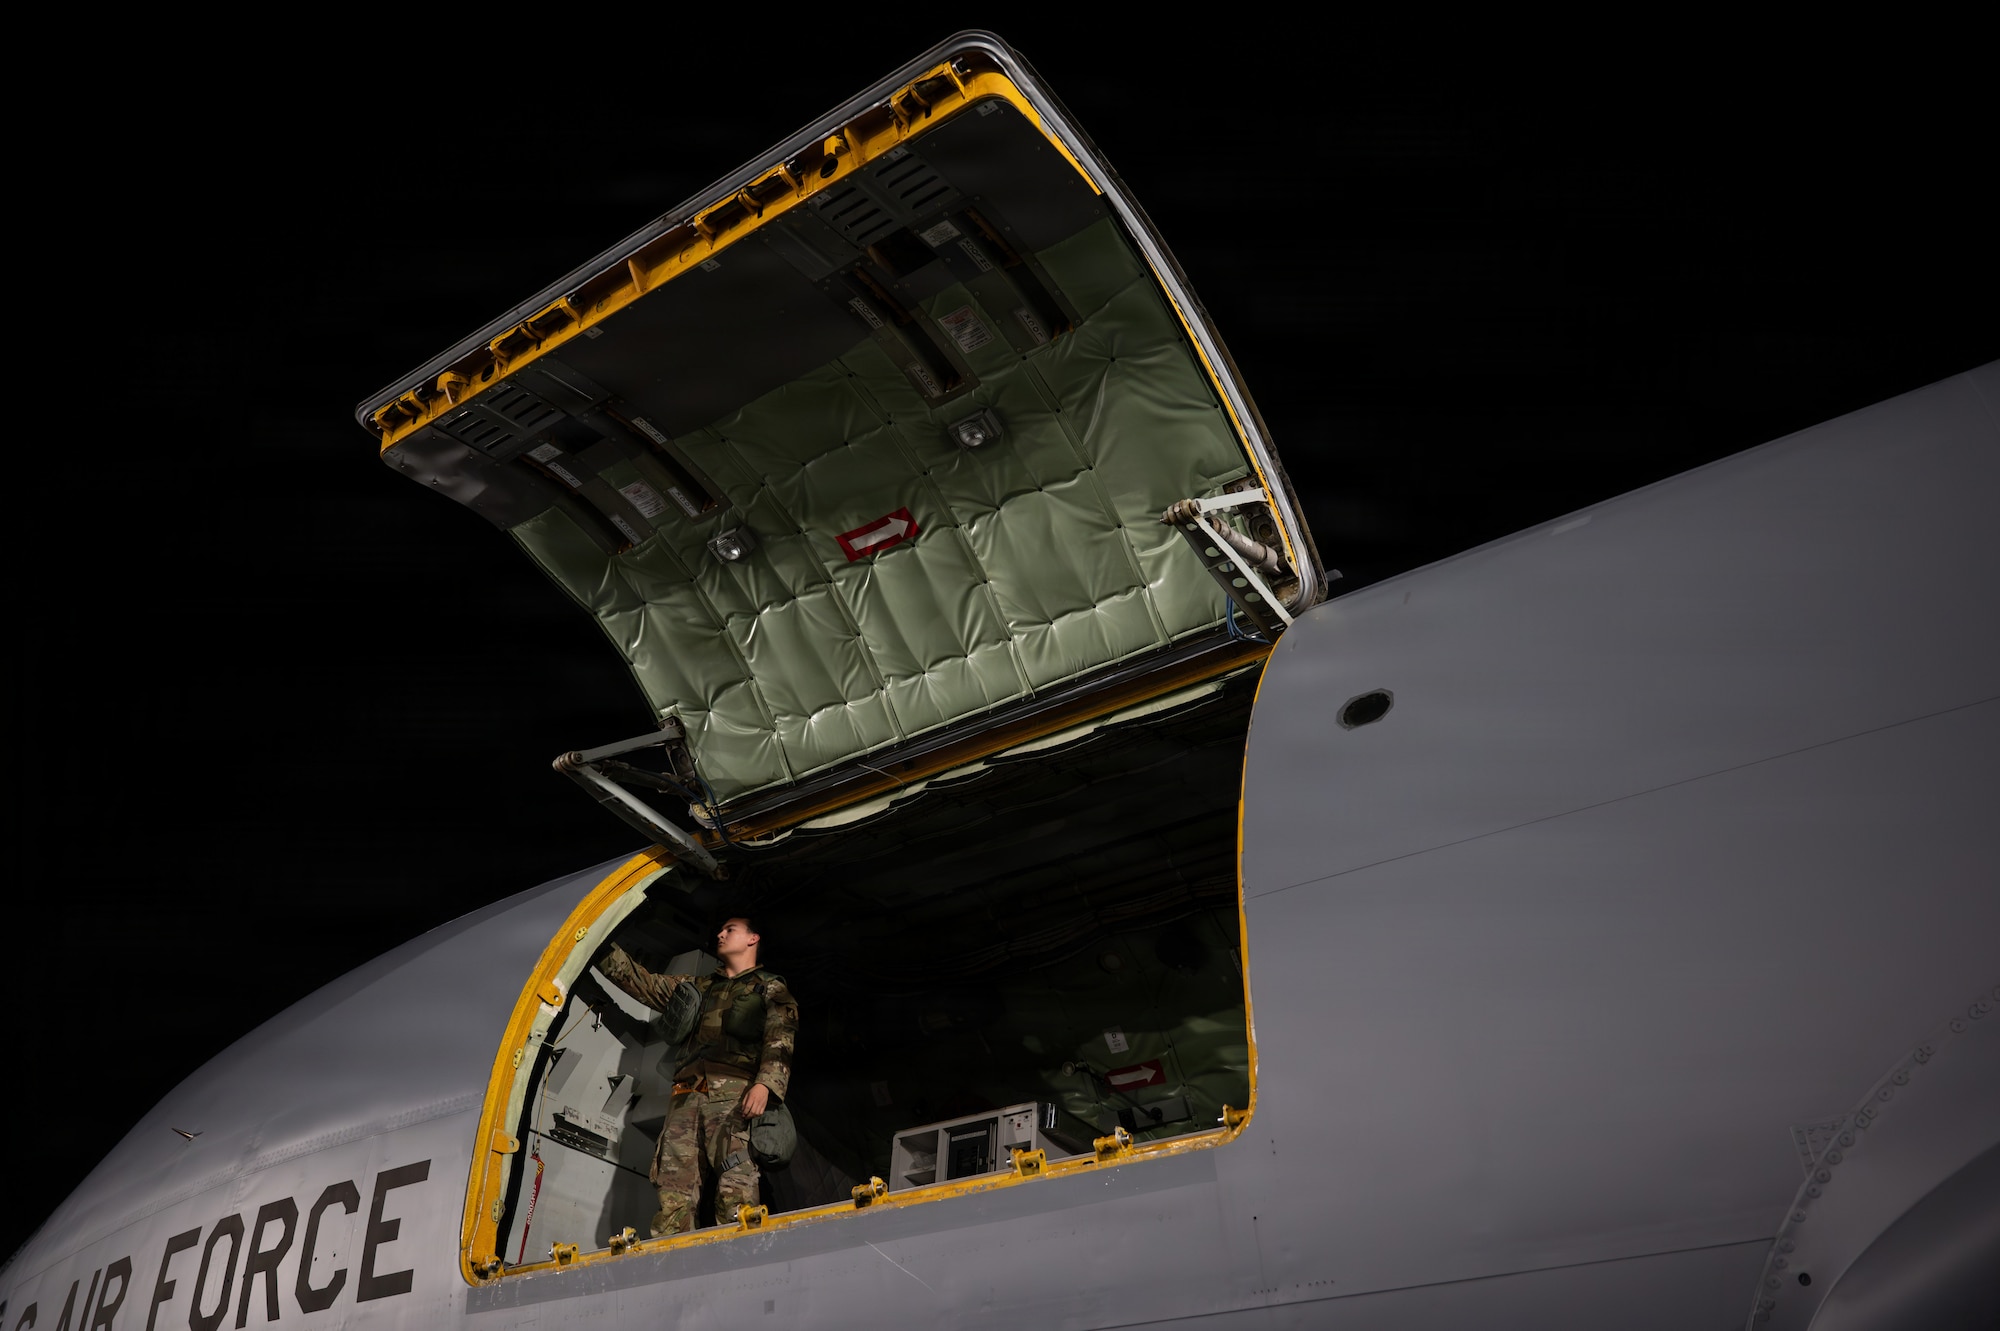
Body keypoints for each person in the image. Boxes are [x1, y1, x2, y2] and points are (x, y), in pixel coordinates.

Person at [595, 915, 797, 1235]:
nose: (720, 934)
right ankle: (669, 1256)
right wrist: (596, 942)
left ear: (752, 938)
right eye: (721, 929)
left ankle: (738, 1253)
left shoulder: (770, 988)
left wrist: (765, 1085)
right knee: (672, 1191)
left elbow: (780, 1042)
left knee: (736, 1190)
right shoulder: (697, 987)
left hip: (734, 1098)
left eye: (730, 929)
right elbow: (642, 982)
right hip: (685, 1096)